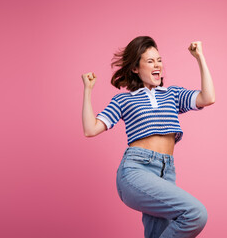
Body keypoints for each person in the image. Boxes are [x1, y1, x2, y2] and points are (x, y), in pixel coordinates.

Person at [81, 36, 215, 238]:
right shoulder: (123, 100)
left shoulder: (172, 94)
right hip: (136, 170)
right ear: (136, 68)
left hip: (166, 173)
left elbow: (208, 98)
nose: (157, 65)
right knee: (195, 213)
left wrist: (200, 58)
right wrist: (87, 91)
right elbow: (90, 129)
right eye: (150, 61)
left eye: (159, 60)